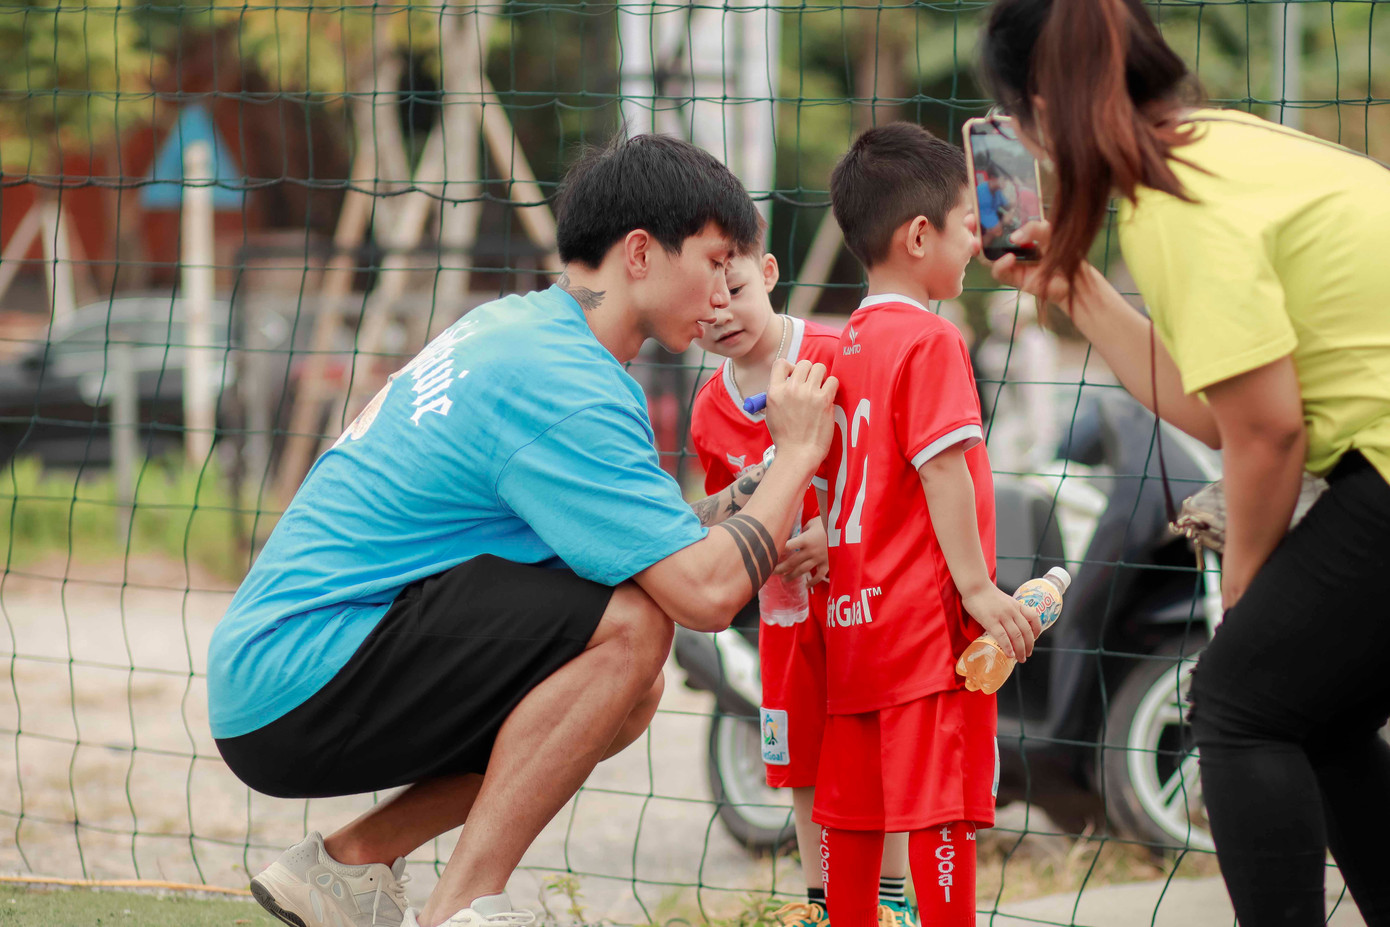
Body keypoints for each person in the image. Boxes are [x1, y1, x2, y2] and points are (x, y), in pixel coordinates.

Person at [206, 134, 838, 927]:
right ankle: (463, 908)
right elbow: (704, 592)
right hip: (297, 675)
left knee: (630, 692)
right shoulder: (565, 383)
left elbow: (652, 542)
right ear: (640, 254)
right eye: (714, 261)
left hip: (280, 666)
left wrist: (743, 497)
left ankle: (347, 865)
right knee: (635, 629)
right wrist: (797, 457)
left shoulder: (523, 330)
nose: (723, 289)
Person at [979, 1, 1390, 923]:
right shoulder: (1219, 148)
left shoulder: (1171, 202)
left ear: (1042, 108)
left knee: (1236, 704)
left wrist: (1242, 583)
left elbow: (1269, 433)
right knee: (1313, 710)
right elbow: (1225, 407)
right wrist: (1076, 288)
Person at [811, 122, 1041, 927]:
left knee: (852, 812)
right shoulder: (933, 340)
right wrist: (977, 588)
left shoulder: (841, 345)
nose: (978, 244)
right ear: (918, 236)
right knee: (939, 808)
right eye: (967, 227)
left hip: (854, 625)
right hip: (922, 629)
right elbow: (943, 468)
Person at [688, 233, 916, 927]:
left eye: (735, 292)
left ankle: (893, 899)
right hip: (784, 614)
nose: (722, 313)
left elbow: (894, 470)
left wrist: (835, 537)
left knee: (873, 746)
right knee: (801, 757)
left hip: (863, 602)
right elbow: (730, 515)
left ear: (768, 271)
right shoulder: (708, 410)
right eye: (703, 305)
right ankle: (825, 902)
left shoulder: (840, 354)